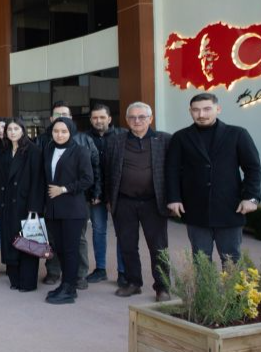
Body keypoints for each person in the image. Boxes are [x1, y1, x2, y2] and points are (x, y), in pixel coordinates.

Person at [166, 93, 261, 266]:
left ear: (218, 109)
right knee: (201, 259)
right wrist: (174, 198)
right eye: (196, 110)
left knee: (232, 259)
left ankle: (234, 294)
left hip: (231, 208)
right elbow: (171, 170)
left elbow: (253, 168)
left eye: (206, 109)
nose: (201, 114)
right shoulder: (180, 137)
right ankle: (205, 294)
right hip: (195, 209)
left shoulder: (238, 134)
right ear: (190, 111)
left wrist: (251, 197)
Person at [105, 102, 172, 301]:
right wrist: (109, 198)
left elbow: (174, 171)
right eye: (132, 117)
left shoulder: (165, 140)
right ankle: (133, 283)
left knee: (158, 247)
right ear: (126, 120)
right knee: (127, 244)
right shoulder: (116, 141)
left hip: (154, 202)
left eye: (142, 117)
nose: (137, 121)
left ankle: (163, 287)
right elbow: (108, 170)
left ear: (150, 119)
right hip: (124, 202)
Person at [39, 101, 100, 288]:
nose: (59, 134)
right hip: (53, 207)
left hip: (73, 206)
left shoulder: (81, 149)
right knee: (56, 244)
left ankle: (74, 281)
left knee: (73, 245)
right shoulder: (47, 148)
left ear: (71, 129)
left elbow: (88, 177)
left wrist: (64, 189)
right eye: (56, 130)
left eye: (64, 131)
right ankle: (59, 276)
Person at [0, 119, 44, 293]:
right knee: (10, 241)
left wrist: (34, 206)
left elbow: (38, 180)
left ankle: (28, 282)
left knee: (27, 243)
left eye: (16, 128)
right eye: (9, 129)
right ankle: (14, 278)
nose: (12, 132)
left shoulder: (33, 151)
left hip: (24, 204)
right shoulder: (4, 151)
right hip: (6, 204)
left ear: (23, 130)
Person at [85, 104, 126, 285]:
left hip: (119, 193)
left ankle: (123, 272)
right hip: (95, 194)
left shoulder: (123, 136)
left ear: (109, 119)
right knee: (98, 231)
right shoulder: (84, 138)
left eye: (102, 117)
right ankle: (100, 269)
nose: (98, 121)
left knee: (122, 232)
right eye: (95, 118)